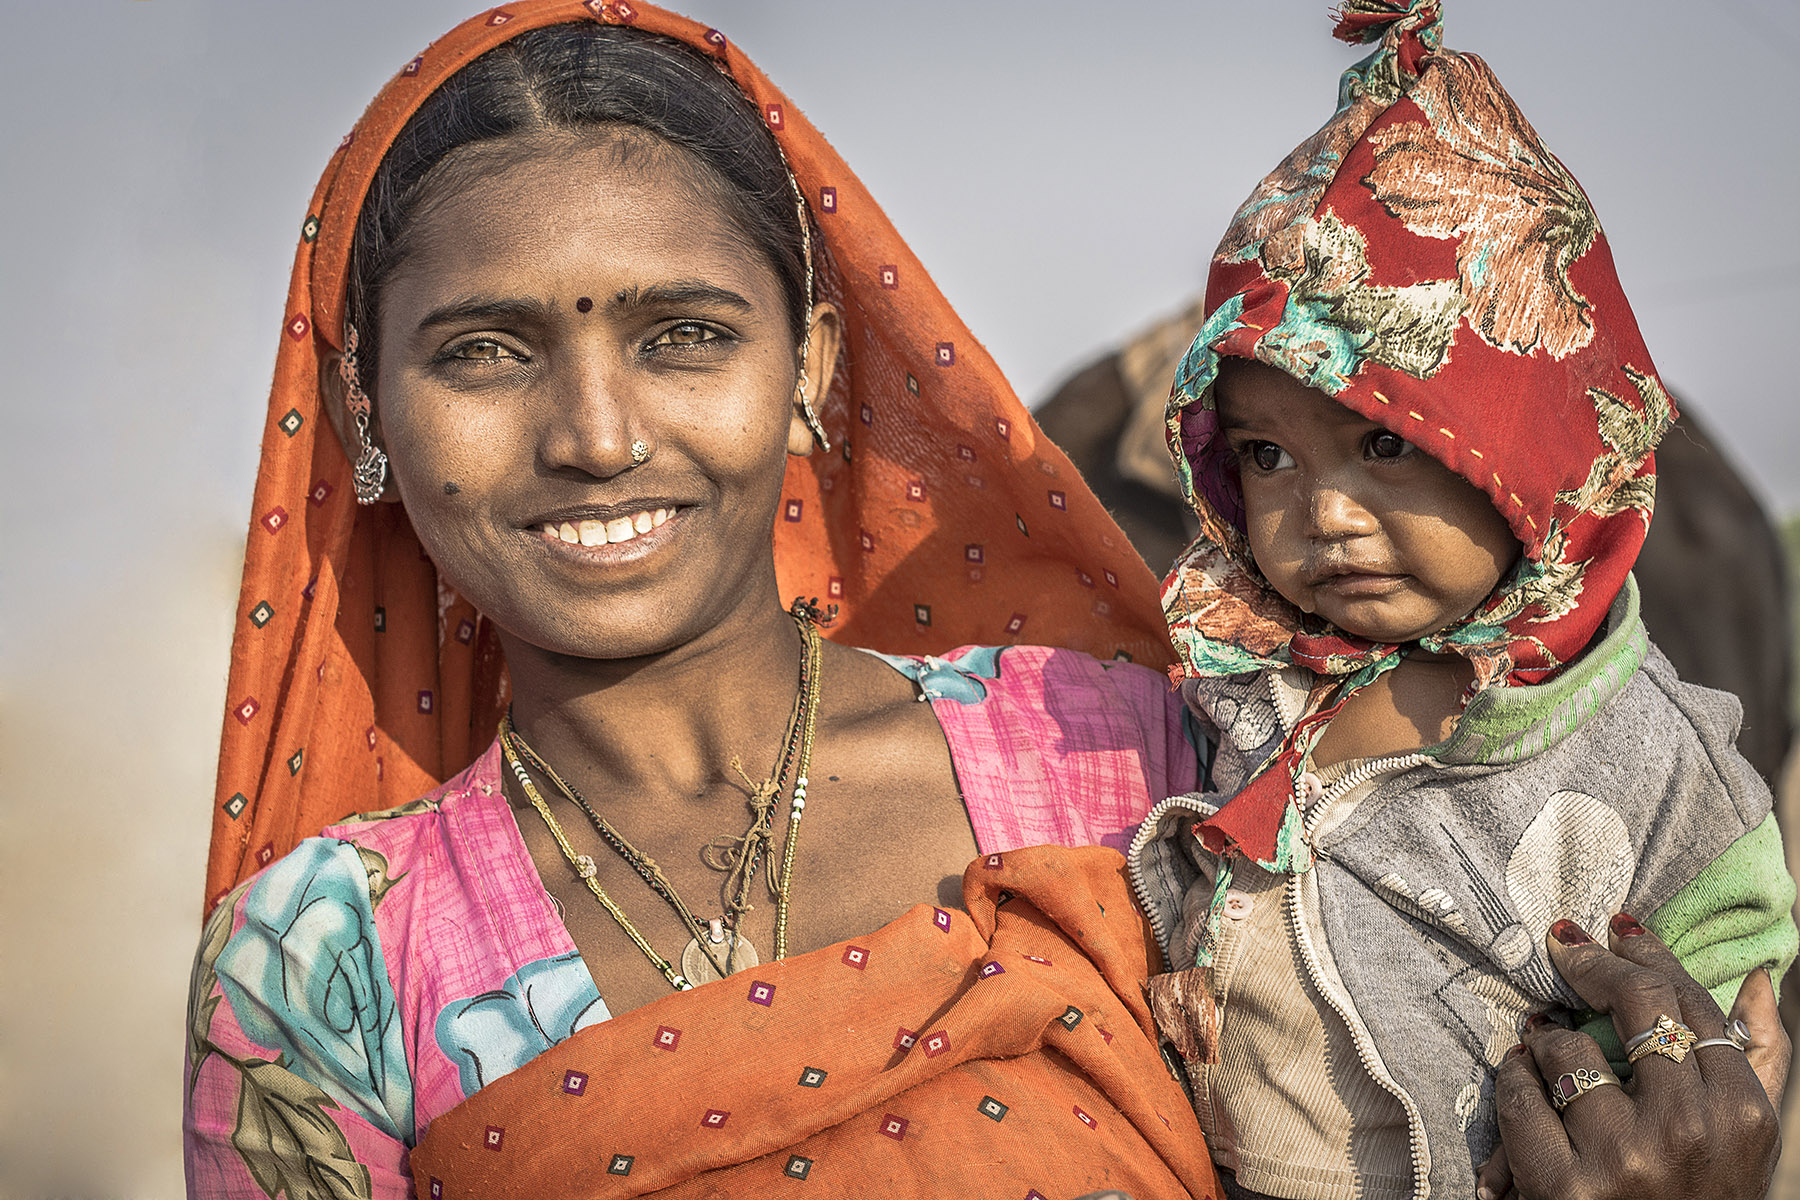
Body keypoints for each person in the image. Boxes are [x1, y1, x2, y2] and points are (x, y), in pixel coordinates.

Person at [183, 3, 1790, 1198]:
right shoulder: (319, 969)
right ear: (369, 412)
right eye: (483, 352)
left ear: (810, 370)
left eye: (686, 334)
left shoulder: (1152, 764)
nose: (598, 437)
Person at [1125, 4, 1797, 1200]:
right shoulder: (1241, 677)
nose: (1320, 514)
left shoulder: (1654, 755)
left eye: (1385, 445)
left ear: (1530, 449)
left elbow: (1721, 1002)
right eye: (1267, 458)